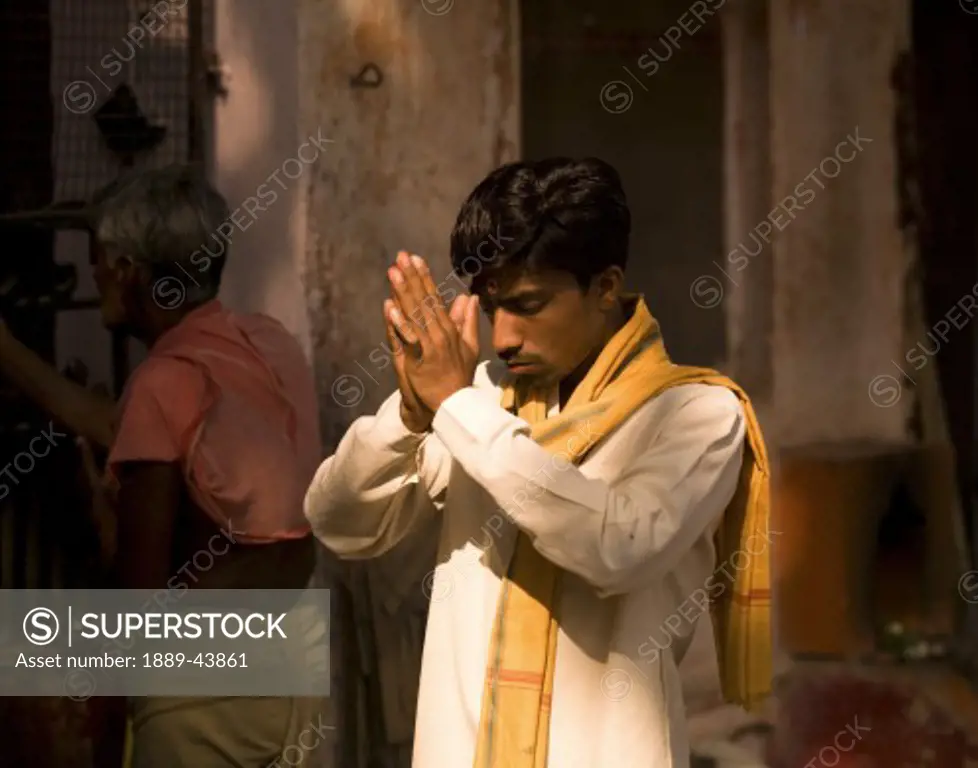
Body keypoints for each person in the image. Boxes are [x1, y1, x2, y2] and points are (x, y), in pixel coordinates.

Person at [304, 157, 773, 767]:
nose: (503, 338)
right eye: (492, 308)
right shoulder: (476, 404)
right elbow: (337, 521)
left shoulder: (699, 415)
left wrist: (455, 407)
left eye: (528, 304)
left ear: (606, 287)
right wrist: (412, 418)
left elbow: (616, 544)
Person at [0, 165, 327, 767]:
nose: (94, 272)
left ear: (128, 270)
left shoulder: (159, 384)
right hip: (296, 668)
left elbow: (138, 599)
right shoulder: (267, 343)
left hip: (199, 687)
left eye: (99, 257)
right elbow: (135, 424)